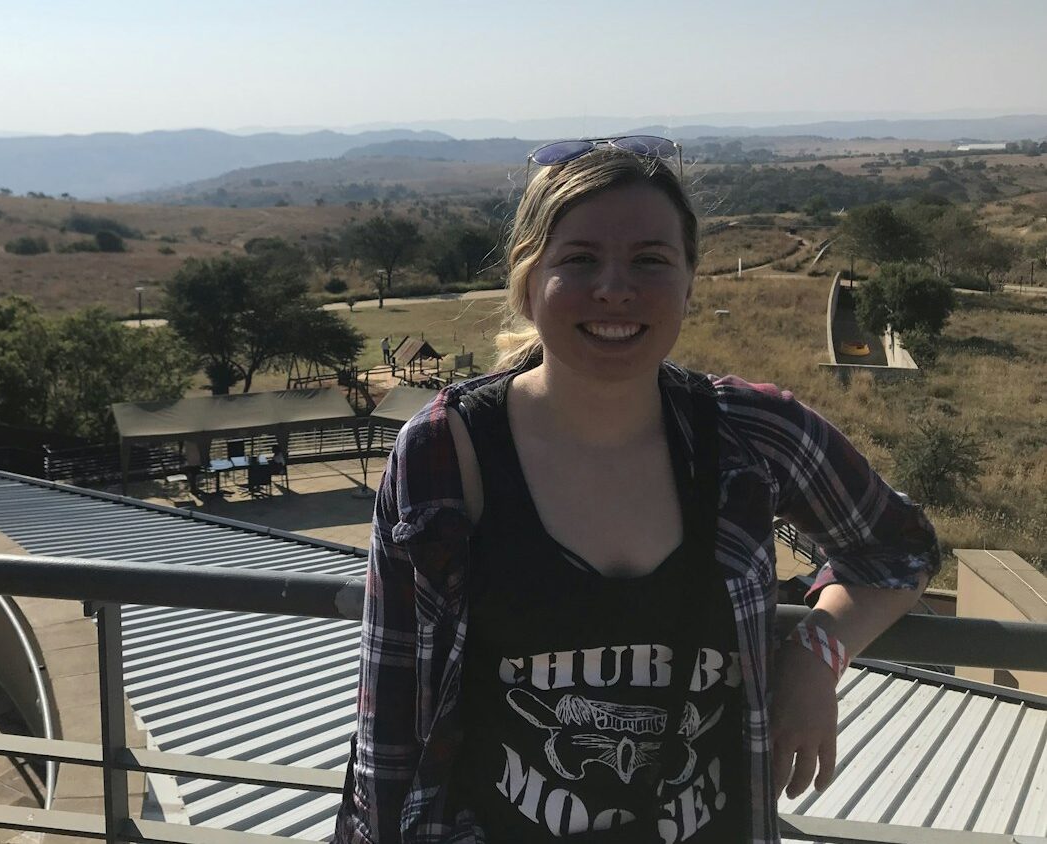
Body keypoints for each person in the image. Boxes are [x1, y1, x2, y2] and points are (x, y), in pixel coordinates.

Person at [333, 139, 939, 843]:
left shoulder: (752, 436)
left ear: (689, 282)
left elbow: (900, 548)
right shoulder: (446, 453)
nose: (615, 289)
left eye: (650, 260)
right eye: (579, 260)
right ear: (528, 283)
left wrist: (816, 652)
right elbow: (389, 729)